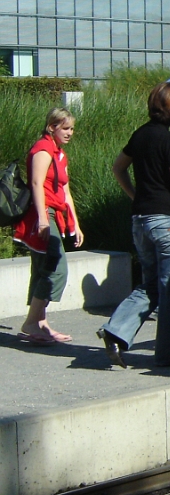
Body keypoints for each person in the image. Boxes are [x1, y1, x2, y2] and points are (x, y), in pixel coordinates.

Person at [97, 83, 170, 369]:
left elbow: (119, 167)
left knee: (151, 284)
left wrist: (135, 195)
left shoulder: (140, 134)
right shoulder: (168, 140)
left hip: (140, 219)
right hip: (167, 219)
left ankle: (116, 330)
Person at [13, 108, 83, 344]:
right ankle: (32, 321)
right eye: (65, 128)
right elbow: (36, 182)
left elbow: (65, 189)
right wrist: (43, 217)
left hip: (54, 212)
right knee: (56, 267)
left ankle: (39, 323)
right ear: (52, 127)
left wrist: (76, 224)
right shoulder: (43, 149)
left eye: (72, 128)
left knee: (43, 267)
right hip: (42, 213)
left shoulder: (60, 154)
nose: (70, 132)